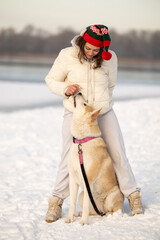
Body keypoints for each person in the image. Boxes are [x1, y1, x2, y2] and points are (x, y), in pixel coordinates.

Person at [44, 24, 144, 222]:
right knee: (68, 156)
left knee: (117, 153)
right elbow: (51, 80)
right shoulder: (67, 55)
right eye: (87, 48)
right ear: (82, 43)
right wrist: (66, 89)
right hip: (76, 113)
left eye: (95, 50)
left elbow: (111, 85)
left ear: (102, 50)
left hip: (103, 113)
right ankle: (56, 201)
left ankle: (132, 195)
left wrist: (101, 104)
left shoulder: (111, 58)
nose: (90, 52)